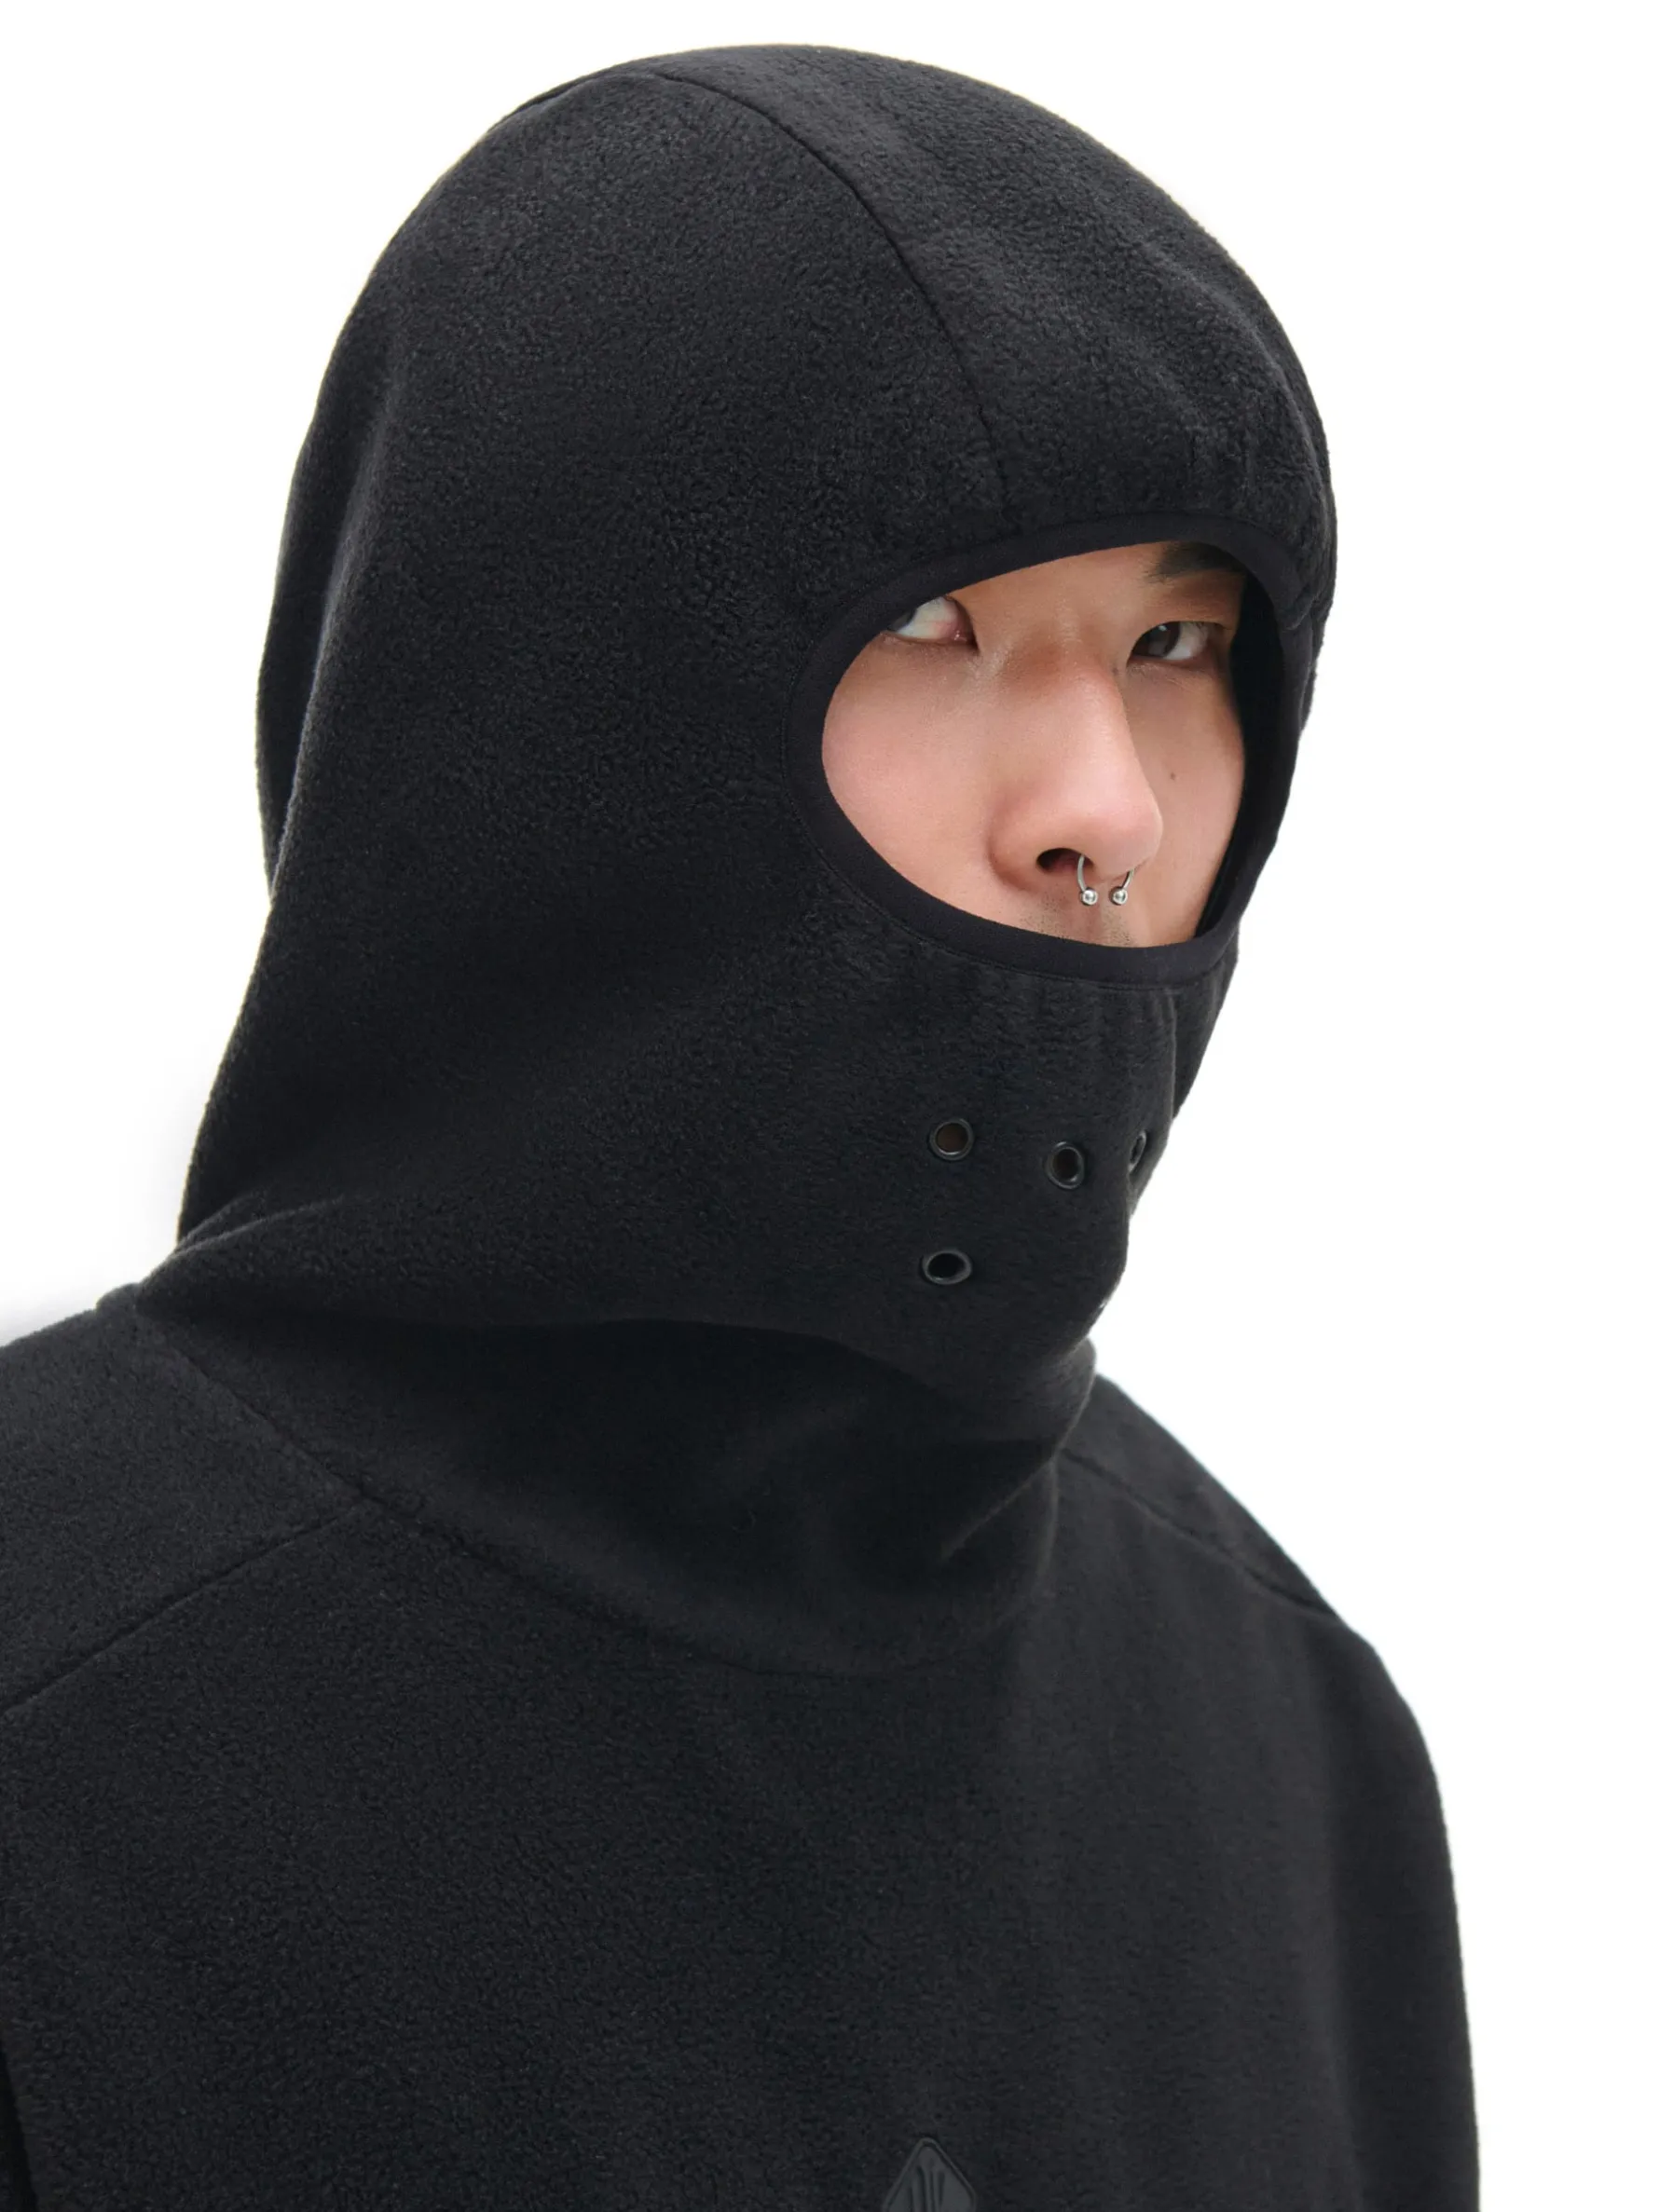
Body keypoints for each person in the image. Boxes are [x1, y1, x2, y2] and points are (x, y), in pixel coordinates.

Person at [0, 43, 1479, 2208]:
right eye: (932, 620)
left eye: (1176, 639)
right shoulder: (56, 1708)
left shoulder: (1292, 1740)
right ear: (554, 706)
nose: (1104, 803)